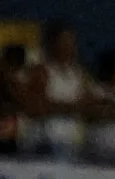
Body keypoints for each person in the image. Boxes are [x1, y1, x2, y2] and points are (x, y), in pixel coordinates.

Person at [18, 20, 90, 160]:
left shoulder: (79, 74)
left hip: (69, 141)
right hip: (44, 141)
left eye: (71, 41)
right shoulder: (40, 71)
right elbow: (35, 107)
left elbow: (88, 106)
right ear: (52, 43)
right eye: (64, 41)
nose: (69, 46)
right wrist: (69, 108)